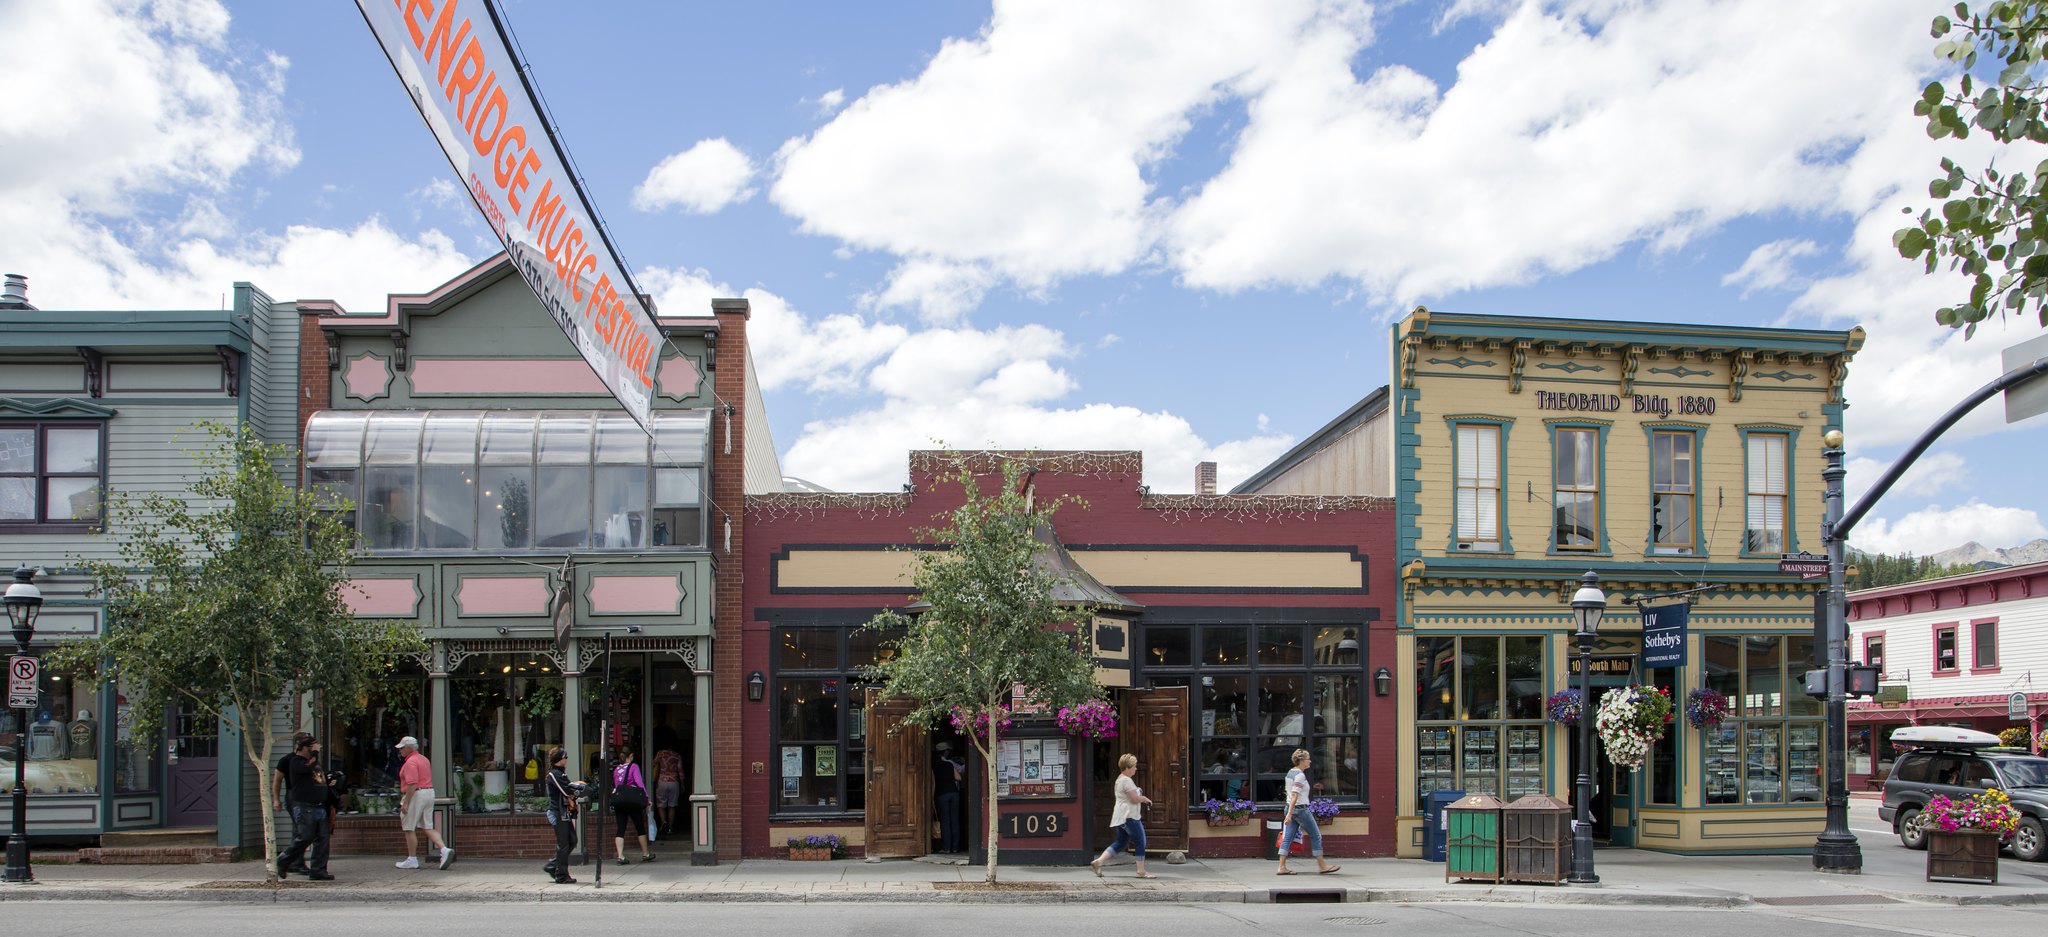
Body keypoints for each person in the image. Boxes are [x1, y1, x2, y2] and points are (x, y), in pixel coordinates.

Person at [273, 733, 334, 881]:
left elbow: (318, 776)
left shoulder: (313, 763)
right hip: (305, 806)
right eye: (312, 747)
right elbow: (306, 768)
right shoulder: (295, 761)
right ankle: (283, 861)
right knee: (304, 837)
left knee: (322, 839)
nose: (315, 750)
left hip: (319, 806)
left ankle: (318, 870)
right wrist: (276, 800)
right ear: (303, 748)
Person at [1089, 753, 1155, 879]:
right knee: (1140, 841)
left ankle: (1099, 862)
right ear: (1128, 767)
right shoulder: (1127, 781)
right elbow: (1134, 799)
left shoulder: (1119, 780)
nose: (1136, 769)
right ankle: (1141, 871)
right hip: (1129, 816)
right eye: (1134, 766)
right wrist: (1145, 799)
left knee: (1120, 842)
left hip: (1120, 817)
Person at [1275, 748, 1340, 875]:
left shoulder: (1290, 773)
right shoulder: (1300, 775)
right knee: (1316, 835)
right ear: (1301, 761)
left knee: (1287, 838)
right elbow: (1295, 796)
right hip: (1300, 810)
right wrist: (1288, 816)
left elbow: (1292, 792)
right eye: (1308, 759)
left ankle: (1281, 867)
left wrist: (1289, 812)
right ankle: (1322, 866)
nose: (1310, 761)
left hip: (1291, 808)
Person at [394, 736, 453, 869]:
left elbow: (412, 783)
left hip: (416, 794)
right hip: (429, 792)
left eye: (402, 748)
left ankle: (412, 859)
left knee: (409, 827)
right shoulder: (423, 759)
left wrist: (406, 802)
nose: (400, 750)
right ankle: (444, 849)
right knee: (427, 826)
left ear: (409, 748)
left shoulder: (410, 762)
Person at [541, 747, 583, 884]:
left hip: (564, 812)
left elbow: (568, 787)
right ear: (559, 759)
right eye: (565, 757)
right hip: (557, 812)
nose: (566, 759)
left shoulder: (561, 773)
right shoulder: (554, 774)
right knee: (564, 844)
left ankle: (552, 865)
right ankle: (561, 875)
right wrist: (578, 787)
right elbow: (566, 790)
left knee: (572, 840)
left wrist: (577, 786)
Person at [610, 749, 654, 863]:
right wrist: (647, 798)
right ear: (631, 755)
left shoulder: (616, 769)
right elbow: (639, 783)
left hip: (620, 802)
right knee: (640, 827)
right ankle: (645, 853)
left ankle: (620, 856)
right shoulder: (634, 767)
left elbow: (615, 784)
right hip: (632, 801)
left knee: (620, 828)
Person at [932, 741, 964, 853]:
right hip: (954, 793)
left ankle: (946, 848)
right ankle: (955, 847)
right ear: (945, 753)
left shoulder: (933, 766)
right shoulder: (950, 764)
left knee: (945, 821)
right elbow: (959, 778)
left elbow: (932, 783)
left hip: (941, 794)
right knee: (955, 820)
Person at [653, 746, 684, 836]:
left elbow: (653, 763)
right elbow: (680, 770)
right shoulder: (677, 755)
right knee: (672, 805)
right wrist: (682, 784)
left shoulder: (660, 753)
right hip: (674, 781)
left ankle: (663, 822)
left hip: (662, 780)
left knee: (661, 804)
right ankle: (670, 827)